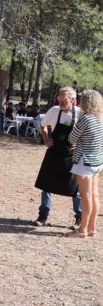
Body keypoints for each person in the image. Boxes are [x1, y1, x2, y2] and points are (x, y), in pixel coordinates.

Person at [33, 86, 82, 228]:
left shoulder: (80, 113)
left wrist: (78, 144)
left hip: (71, 155)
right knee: (47, 185)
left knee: (75, 187)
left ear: (73, 100)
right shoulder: (54, 111)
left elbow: (87, 132)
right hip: (54, 153)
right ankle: (43, 216)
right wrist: (46, 139)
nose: (60, 101)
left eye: (64, 99)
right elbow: (42, 126)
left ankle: (79, 218)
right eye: (59, 98)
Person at [65, 90, 103, 238]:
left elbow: (71, 138)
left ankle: (82, 230)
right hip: (97, 161)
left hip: (85, 161)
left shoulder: (86, 118)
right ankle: (92, 228)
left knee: (85, 197)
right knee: (95, 196)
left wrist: (78, 141)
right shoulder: (100, 118)